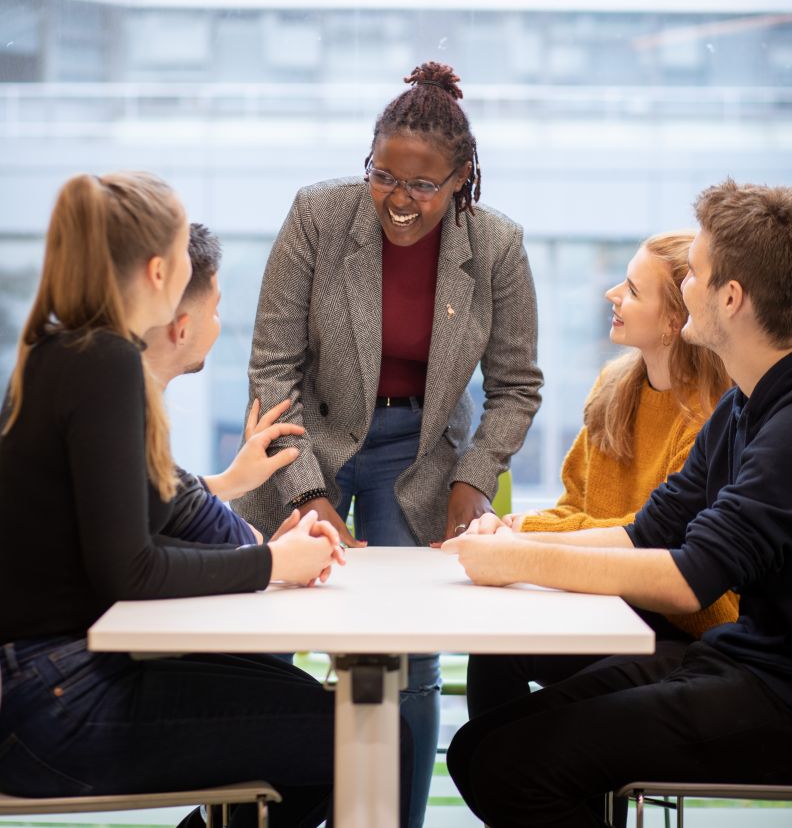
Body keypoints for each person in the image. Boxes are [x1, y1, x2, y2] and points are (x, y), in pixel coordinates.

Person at [233, 61, 543, 828]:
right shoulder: (317, 214)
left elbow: (516, 386)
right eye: (383, 176)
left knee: (407, 651)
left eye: (422, 185)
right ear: (366, 161)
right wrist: (306, 493)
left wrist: (473, 477)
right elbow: (273, 366)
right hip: (309, 432)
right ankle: (265, 813)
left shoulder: (497, 245)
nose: (399, 201)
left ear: (462, 178)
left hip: (421, 446)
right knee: (271, 634)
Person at [0, 171, 345, 828]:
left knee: (321, 719)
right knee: (354, 741)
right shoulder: (104, 363)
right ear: (161, 272)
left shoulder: (62, 353)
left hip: (43, 684)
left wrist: (244, 518)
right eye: (188, 254)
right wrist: (275, 564)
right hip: (49, 700)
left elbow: (132, 522)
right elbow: (130, 567)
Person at [444, 179, 792, 828]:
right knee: (477, 750)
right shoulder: (747, 403)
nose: (689, 282)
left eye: (700, 274)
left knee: (505, 765)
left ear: (732, 298)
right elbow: (648, 530)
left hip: (776, 696)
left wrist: (519, 559)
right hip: (739, 661)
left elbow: (690, 578)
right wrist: (514, 549)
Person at [466, 230, 736, 720]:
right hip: (599, 598)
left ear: (675, 320)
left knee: (532, 731)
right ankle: (511, 777)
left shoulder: (708, 417)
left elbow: (653, 536)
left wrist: (521, 533)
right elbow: (578, 507)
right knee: (494, 647)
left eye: (632, 290)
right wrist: (512, 530)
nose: (613, 295)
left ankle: (527, 776)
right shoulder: (614, 389)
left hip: (680, 625)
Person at [146, 222, 305, 548]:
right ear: (182, 330)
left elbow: (156, 498)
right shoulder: (123, 399)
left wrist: (231, 481)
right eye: (216, 309)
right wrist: (271, 556)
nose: (219, 321)